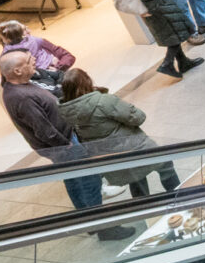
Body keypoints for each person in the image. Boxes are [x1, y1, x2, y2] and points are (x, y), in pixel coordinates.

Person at [0, 52, 117, 224]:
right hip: (63, 146)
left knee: (74, 179)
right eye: (28, 61)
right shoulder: (22, 97)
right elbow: (43, 130)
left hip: (63, 143)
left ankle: (86, 219)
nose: (34, 60)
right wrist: (66, 145)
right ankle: (102, 225)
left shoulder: (21, 87)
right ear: (17, 71)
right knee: (89, 180)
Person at [57, 67, 181, 197]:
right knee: (165, 165)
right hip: (135, 148)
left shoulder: (67, 112)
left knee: (136, 179)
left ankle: (144, 207)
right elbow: (138, 117)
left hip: (112, 158)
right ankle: (179, 198)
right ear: (87, 82)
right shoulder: (103, 101)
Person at [0, 20, 74, 87]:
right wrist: (58, 67)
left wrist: (59, 66)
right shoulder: (35, 40)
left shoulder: (5, 55)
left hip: (36, 80)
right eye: (24, 29)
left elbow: (5, 82)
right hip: (48, 73)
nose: (29, 31)